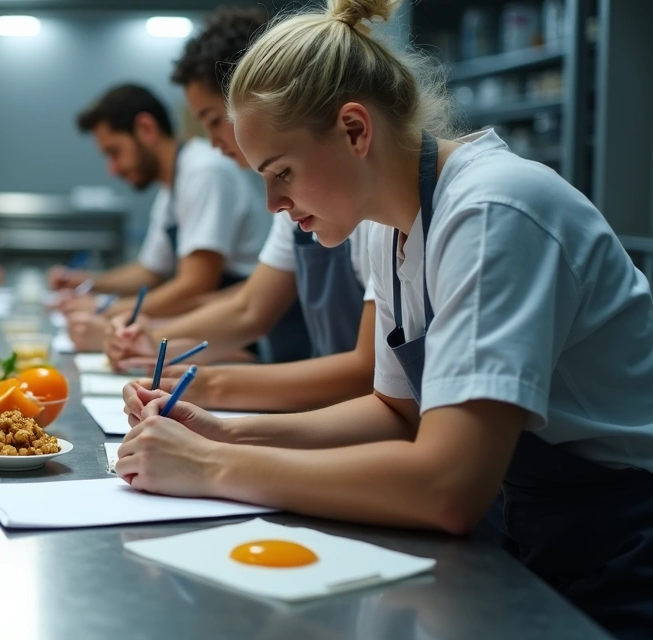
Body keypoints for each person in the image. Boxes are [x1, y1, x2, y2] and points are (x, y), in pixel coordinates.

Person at [118, 1, 653, 637]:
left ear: (354, 130)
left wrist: (209, 470)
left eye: (282, 172)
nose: (273, 203)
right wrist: (226, 434)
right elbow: (394, 412)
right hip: (531, 526)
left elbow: (448, 487)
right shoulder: (385, 228)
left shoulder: (494, 212)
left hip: (621, 547)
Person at [106, 6, 376, 411]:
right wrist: (154, 339)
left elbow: (370, 377)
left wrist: (210, 392)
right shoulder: (306, 196)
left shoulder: (393, 211)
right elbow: (249, 307)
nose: (214, 141)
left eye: (215, 120)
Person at [56, 83, 307, 360]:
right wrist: (92, 284)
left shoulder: (204, 172)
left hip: (243, 340)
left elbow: (194, 287)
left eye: (114, 152)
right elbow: (150, 270)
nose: (112, 169)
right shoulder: (173, 184)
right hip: (218, 327)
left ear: (146, 129)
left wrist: (107, 314)